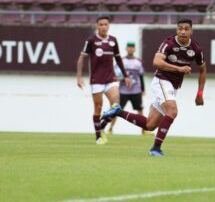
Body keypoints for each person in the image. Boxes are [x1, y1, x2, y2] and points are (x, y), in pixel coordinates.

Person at [100, 18, 207, 156]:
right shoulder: (169, 43)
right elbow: (156, 62)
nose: (183, 32)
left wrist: (199, 93)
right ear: (176, 30)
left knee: (149, 125)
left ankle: (118, 112)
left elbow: (203, 69)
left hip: (173, 87)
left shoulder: (196, 48)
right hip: (161, 80)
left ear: (191, 31)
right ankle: (155, 149)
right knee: (172, 111)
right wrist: (179, 69)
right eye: (180, 28)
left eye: (186, 29)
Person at [76, 15, 131, 145]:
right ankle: (98, 136)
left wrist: (126, 76)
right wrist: (79, 76)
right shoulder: (91, 40)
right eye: (101, 25)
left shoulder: (113, 40)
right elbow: (81, 58)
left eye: (105, 24)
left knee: (116, 105)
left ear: (109, 26)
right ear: (97, 26)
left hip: (111, 79)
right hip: (96, 80)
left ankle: (102, 126)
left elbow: (118, 59)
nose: (103, 27)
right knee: (98, 107)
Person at [108, 41, 150, 135]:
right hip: (123, 91)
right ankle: (110, 129)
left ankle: (144, 130)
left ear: (134, 49)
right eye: (129, 47)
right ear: (126, 49)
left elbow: (141, 76)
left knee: (140, 110)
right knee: (116, 110)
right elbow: (115, 75)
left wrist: (143, 89)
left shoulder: (138, 62)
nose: (130, 49)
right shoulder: (121, 61)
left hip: (136, 90)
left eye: (132, 47)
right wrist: (121, 79)